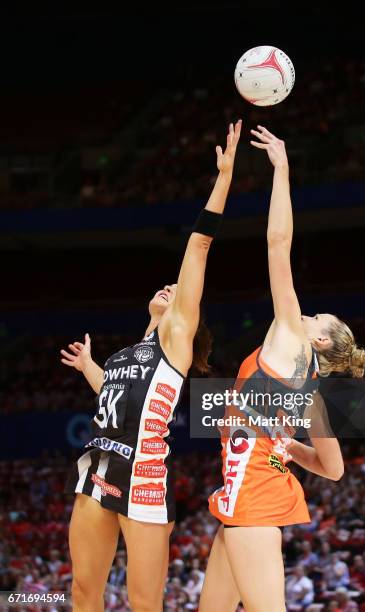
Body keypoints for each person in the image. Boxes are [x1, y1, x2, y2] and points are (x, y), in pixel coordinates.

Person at [61, 120, 242, 612]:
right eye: (162, 288)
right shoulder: (127, 353)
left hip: (142, 472)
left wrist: (223, 179)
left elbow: (198, 246)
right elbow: (114, 396)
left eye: (173, 290)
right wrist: (90, 368)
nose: (167, 289)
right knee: (83, 592)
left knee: (144, 602)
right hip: (97, 462)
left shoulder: (175, 335)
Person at [199, 126, 365, 612]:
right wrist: (286, 445)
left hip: (255, 503)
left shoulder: (291, 339)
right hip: (244, 502)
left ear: (319, 339)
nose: (309, 313)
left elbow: (278, 243)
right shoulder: (311, 392)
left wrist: (282, 169)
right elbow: (334, 470)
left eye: (319, 318)